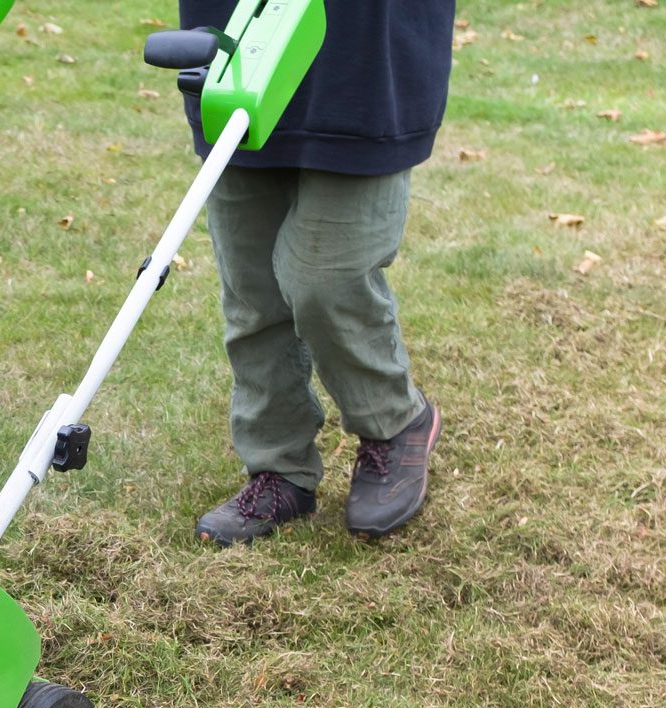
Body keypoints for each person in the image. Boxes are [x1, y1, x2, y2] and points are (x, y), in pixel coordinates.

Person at [178, 1, 457, 546]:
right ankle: (279, 469)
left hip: (363, 55)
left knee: (325, 276)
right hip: (240, 48)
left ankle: (395, 422)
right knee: (251, 287)